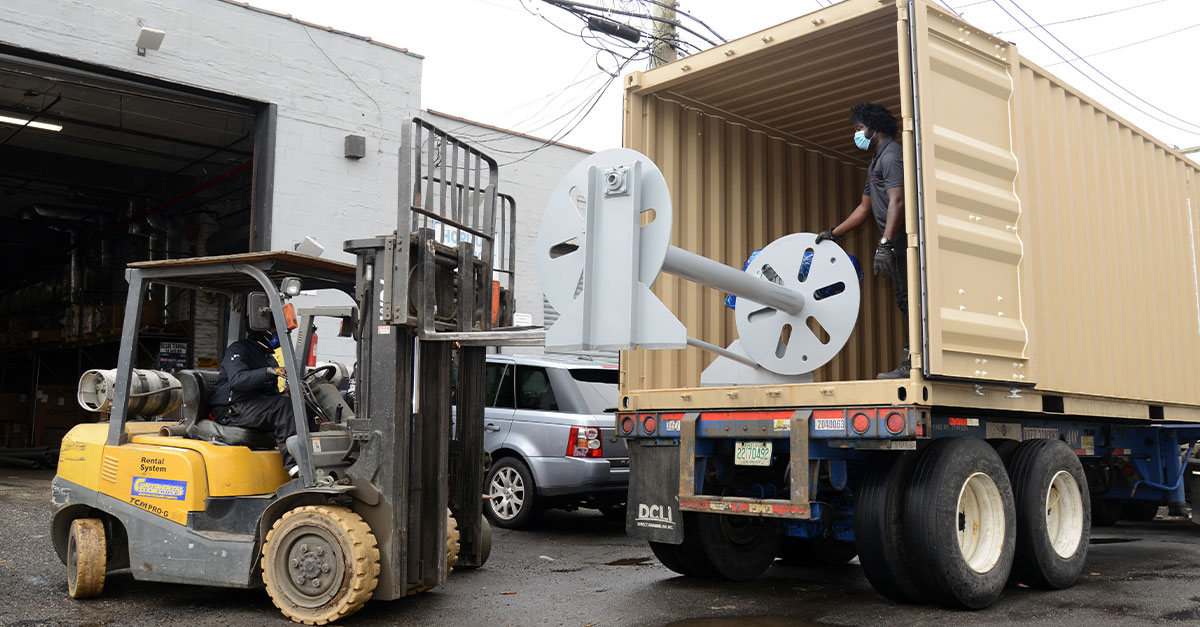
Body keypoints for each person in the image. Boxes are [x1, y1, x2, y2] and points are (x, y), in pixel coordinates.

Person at [816, 102, 908, 379]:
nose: (856, 135)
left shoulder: (891, 156)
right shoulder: (875, 162)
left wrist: (886, 242)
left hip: (905, 243)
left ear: (874, 128)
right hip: (895, 243)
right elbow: (864, 208)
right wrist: (834, 233)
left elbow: (898, 200)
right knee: (904, 300)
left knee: (910, 302)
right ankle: (912, 360)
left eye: (859, 128)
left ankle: (913, 363)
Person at [209, 325, 299, 476]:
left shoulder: (269, 359)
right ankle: (295, 467)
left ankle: (314, 458)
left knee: (296, 404)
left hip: (252, 407)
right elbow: (238, 380)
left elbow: (272, 396)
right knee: (284, 406)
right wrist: (268, 373)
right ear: (263, 331)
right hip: (232, 407)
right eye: (275, 331)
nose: (278, 336)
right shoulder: (239, 349)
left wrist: (285, 393)